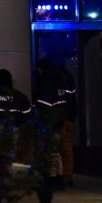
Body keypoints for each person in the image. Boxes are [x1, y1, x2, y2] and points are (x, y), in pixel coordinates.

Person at [35, 58, 78, 187]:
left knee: (55, 149)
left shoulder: (49, 81)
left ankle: (57, 176)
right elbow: (71, 99)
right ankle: (66, 176)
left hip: (56, 118)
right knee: (65, 148)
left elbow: (45, 104)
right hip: (67, 116)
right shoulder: (66, 77)